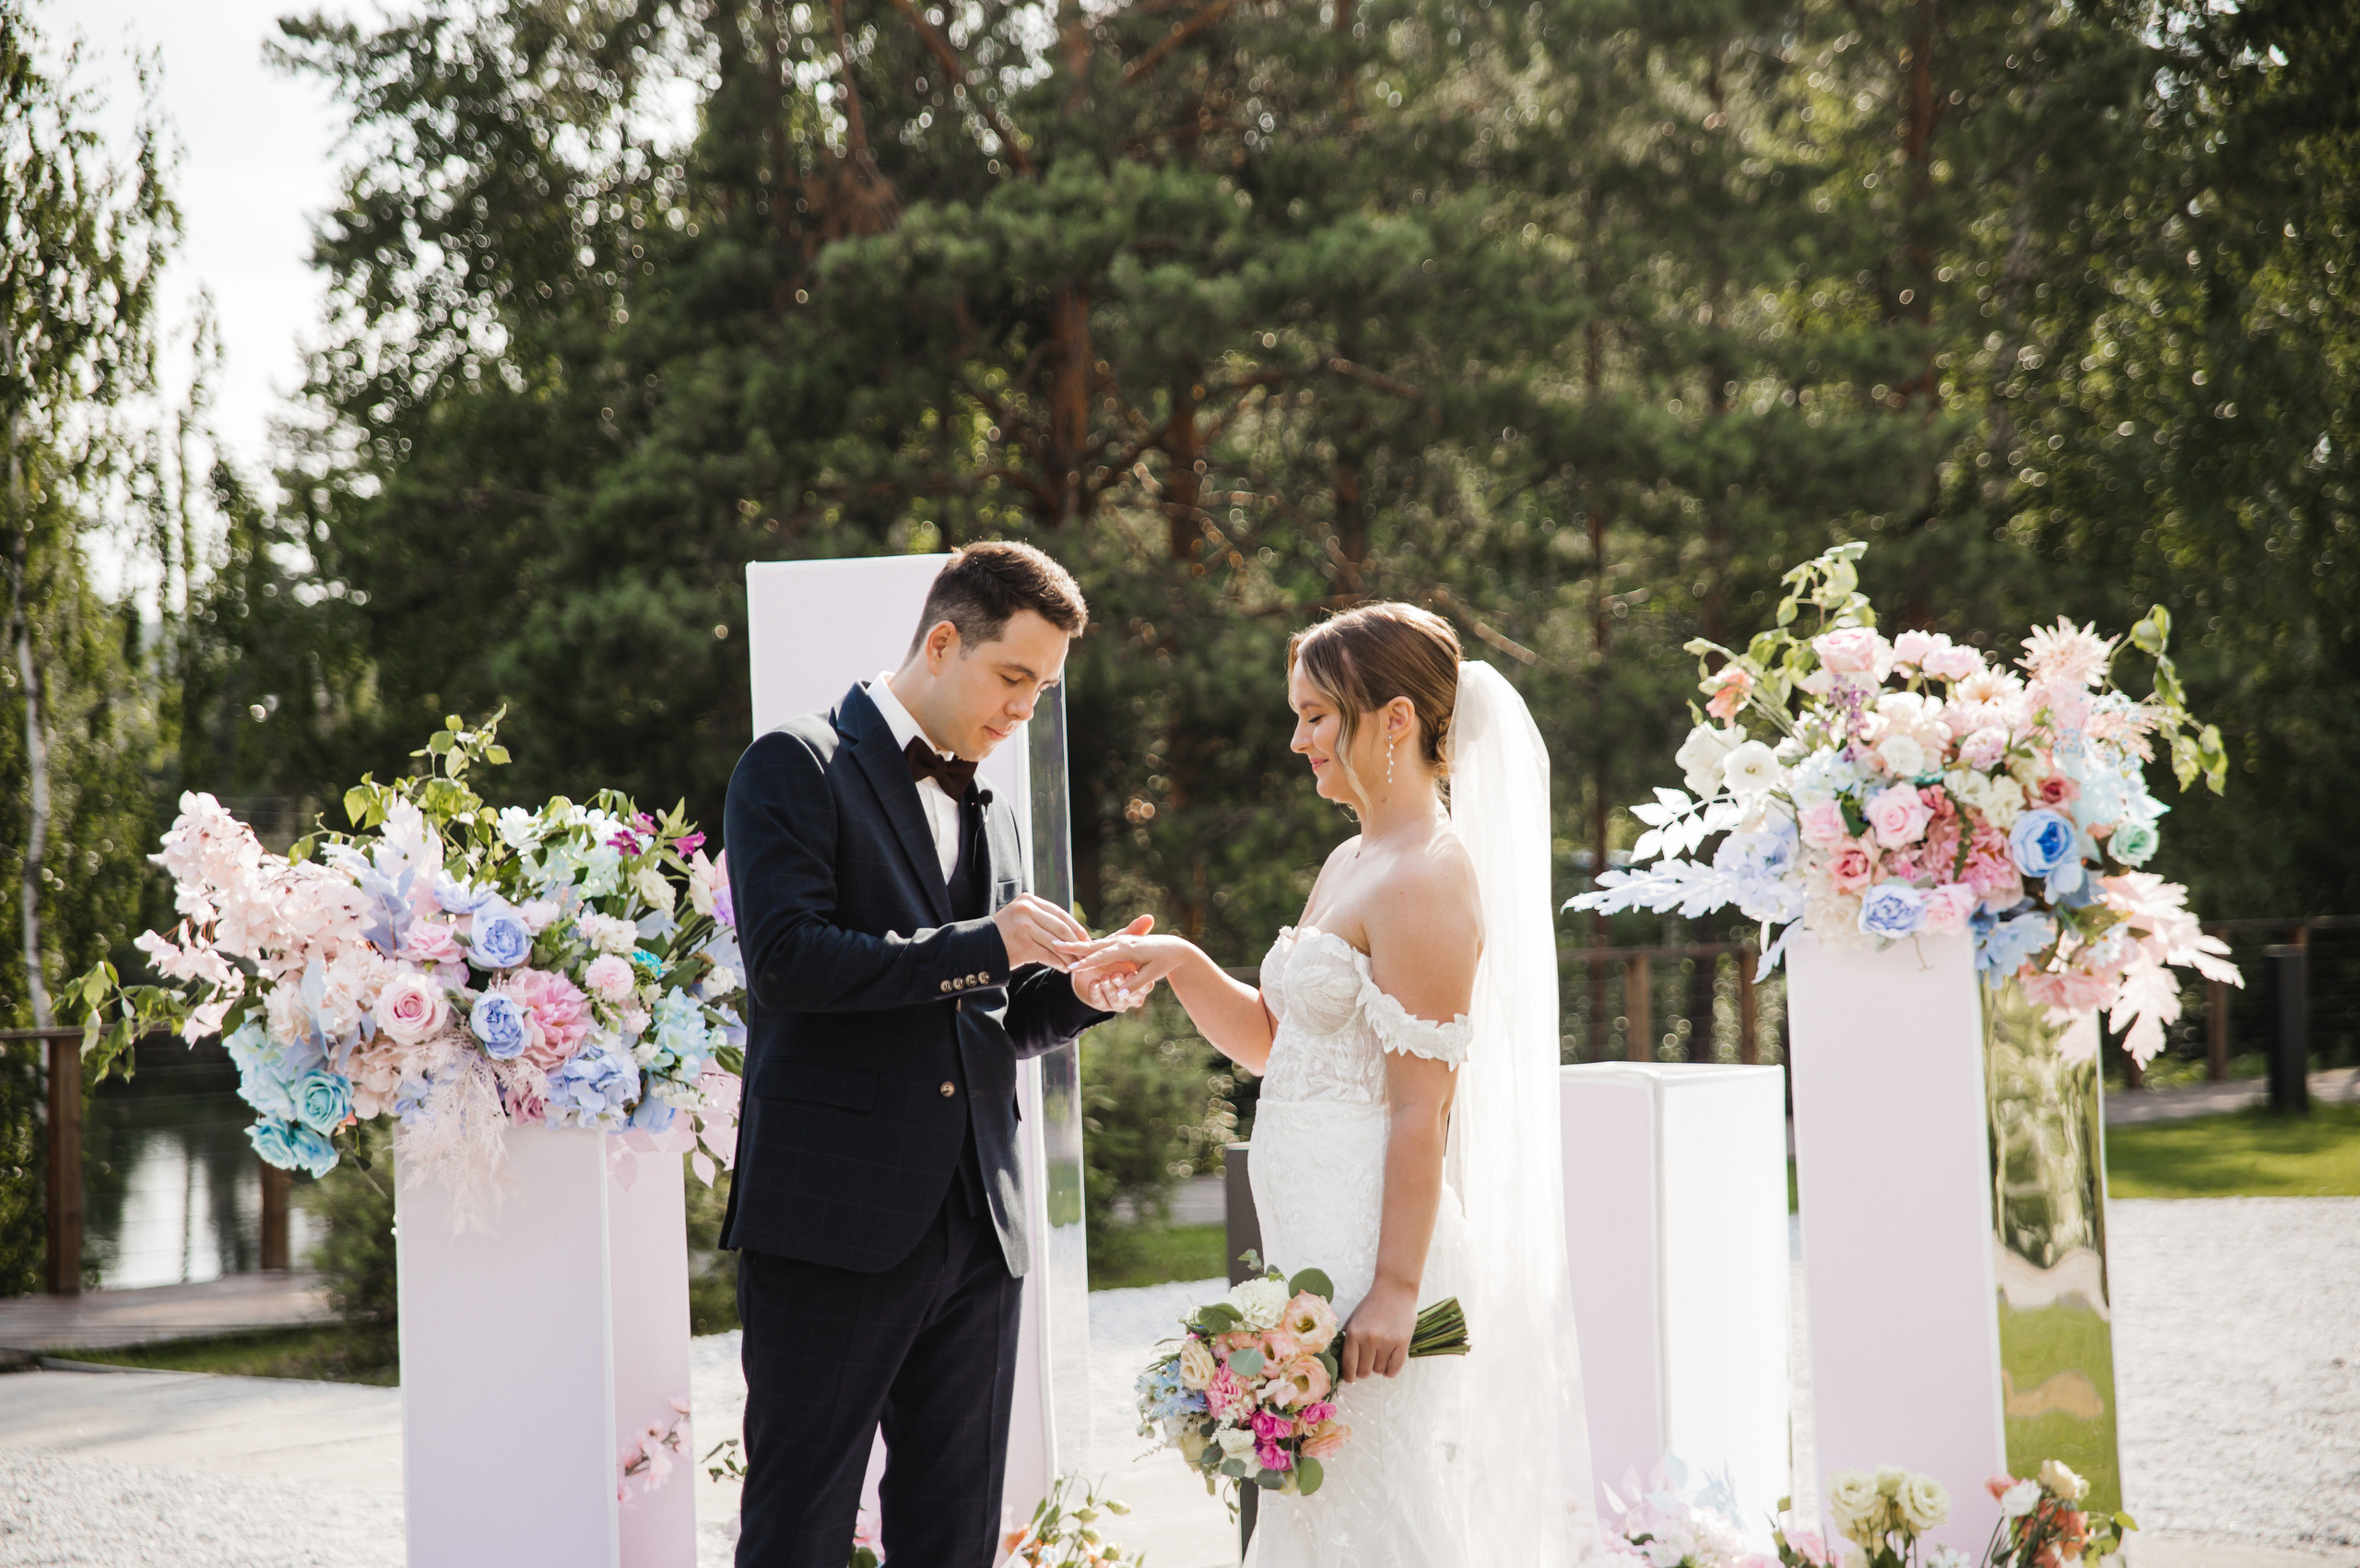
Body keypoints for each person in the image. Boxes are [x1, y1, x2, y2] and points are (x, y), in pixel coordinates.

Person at [1060, 602, 1597, 1565]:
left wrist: (1393, 1288)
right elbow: (1277, 1044)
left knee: (1373, 1512)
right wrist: (1180, 961)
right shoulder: (1352, 857)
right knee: (1316, 1517)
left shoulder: (1424, 879)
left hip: (1374, 1257)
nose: (1297, 738)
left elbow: (1419, 1109)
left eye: (1317, 715)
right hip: (1313, 1243)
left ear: (1394, 720)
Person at [721, 541, 1147, 1568]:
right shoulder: (793, 761)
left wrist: (1077, 997)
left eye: (1041, 692)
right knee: (799, 1526)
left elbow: (983, 1014)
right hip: (836, 1221)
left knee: (955, 1535)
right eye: (1012, 679)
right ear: (943, 640)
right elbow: (785, 964)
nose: (1022, 712)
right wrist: (985, 945)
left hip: (978, 1225)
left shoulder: (990, 806)